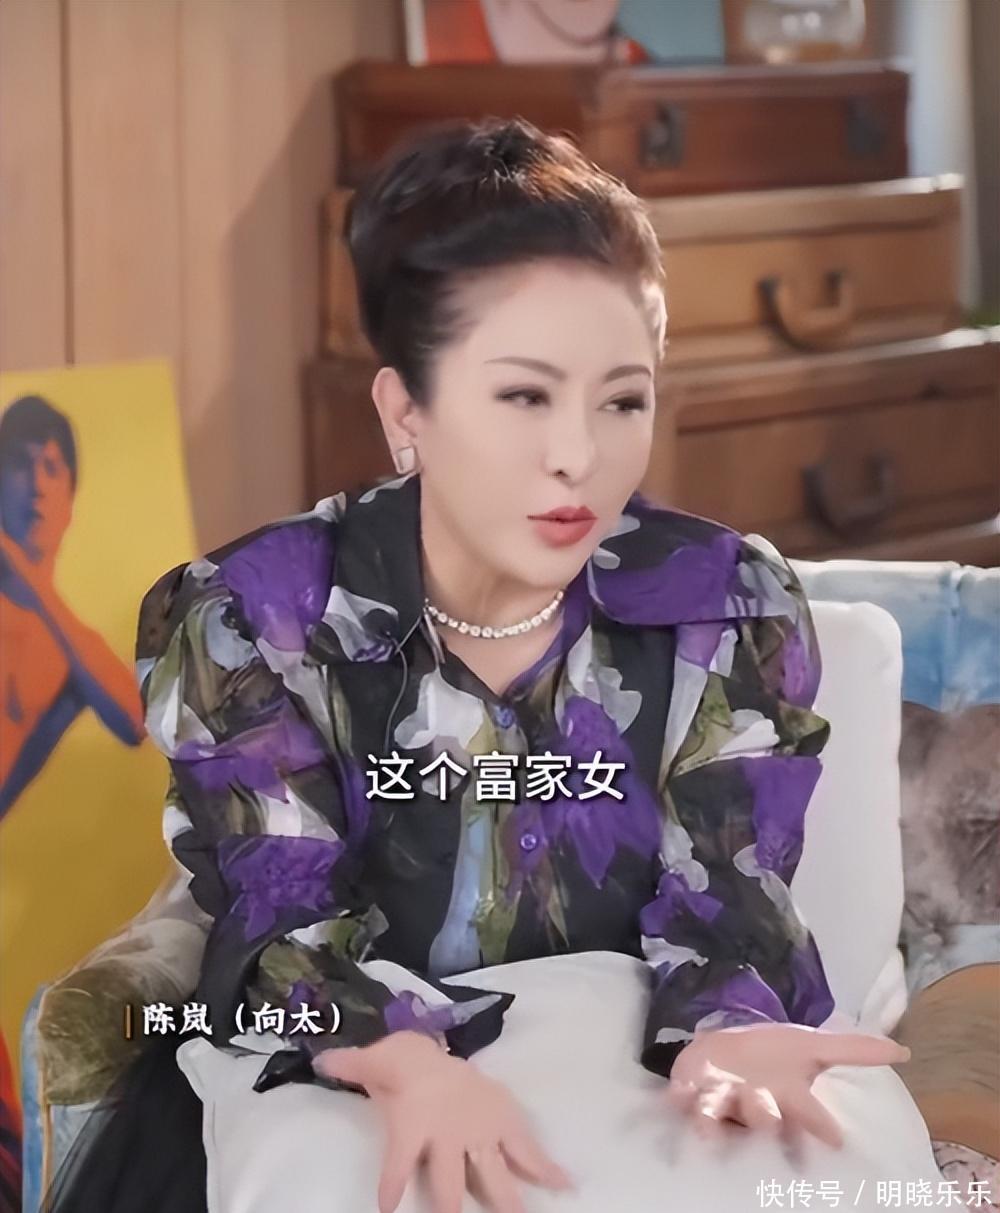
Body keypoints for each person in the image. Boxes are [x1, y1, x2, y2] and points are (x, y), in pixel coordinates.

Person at [42, 117, 910, 1213]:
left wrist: (731, 1024)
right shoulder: (250, 617)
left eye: (622, 399)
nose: (579, 456)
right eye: (523, 395)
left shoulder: (722, 600)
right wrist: (406, 1064)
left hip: (642, 1062)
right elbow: (280, 908)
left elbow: (732, 877)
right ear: (405, 411)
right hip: (345, 1069)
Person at [0, 395, 146, 820]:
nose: (37, 486)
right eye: (20, 464)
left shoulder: (71, 650)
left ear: (70, 500)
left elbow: (136, 721)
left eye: (51, 467)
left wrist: (34, 587)